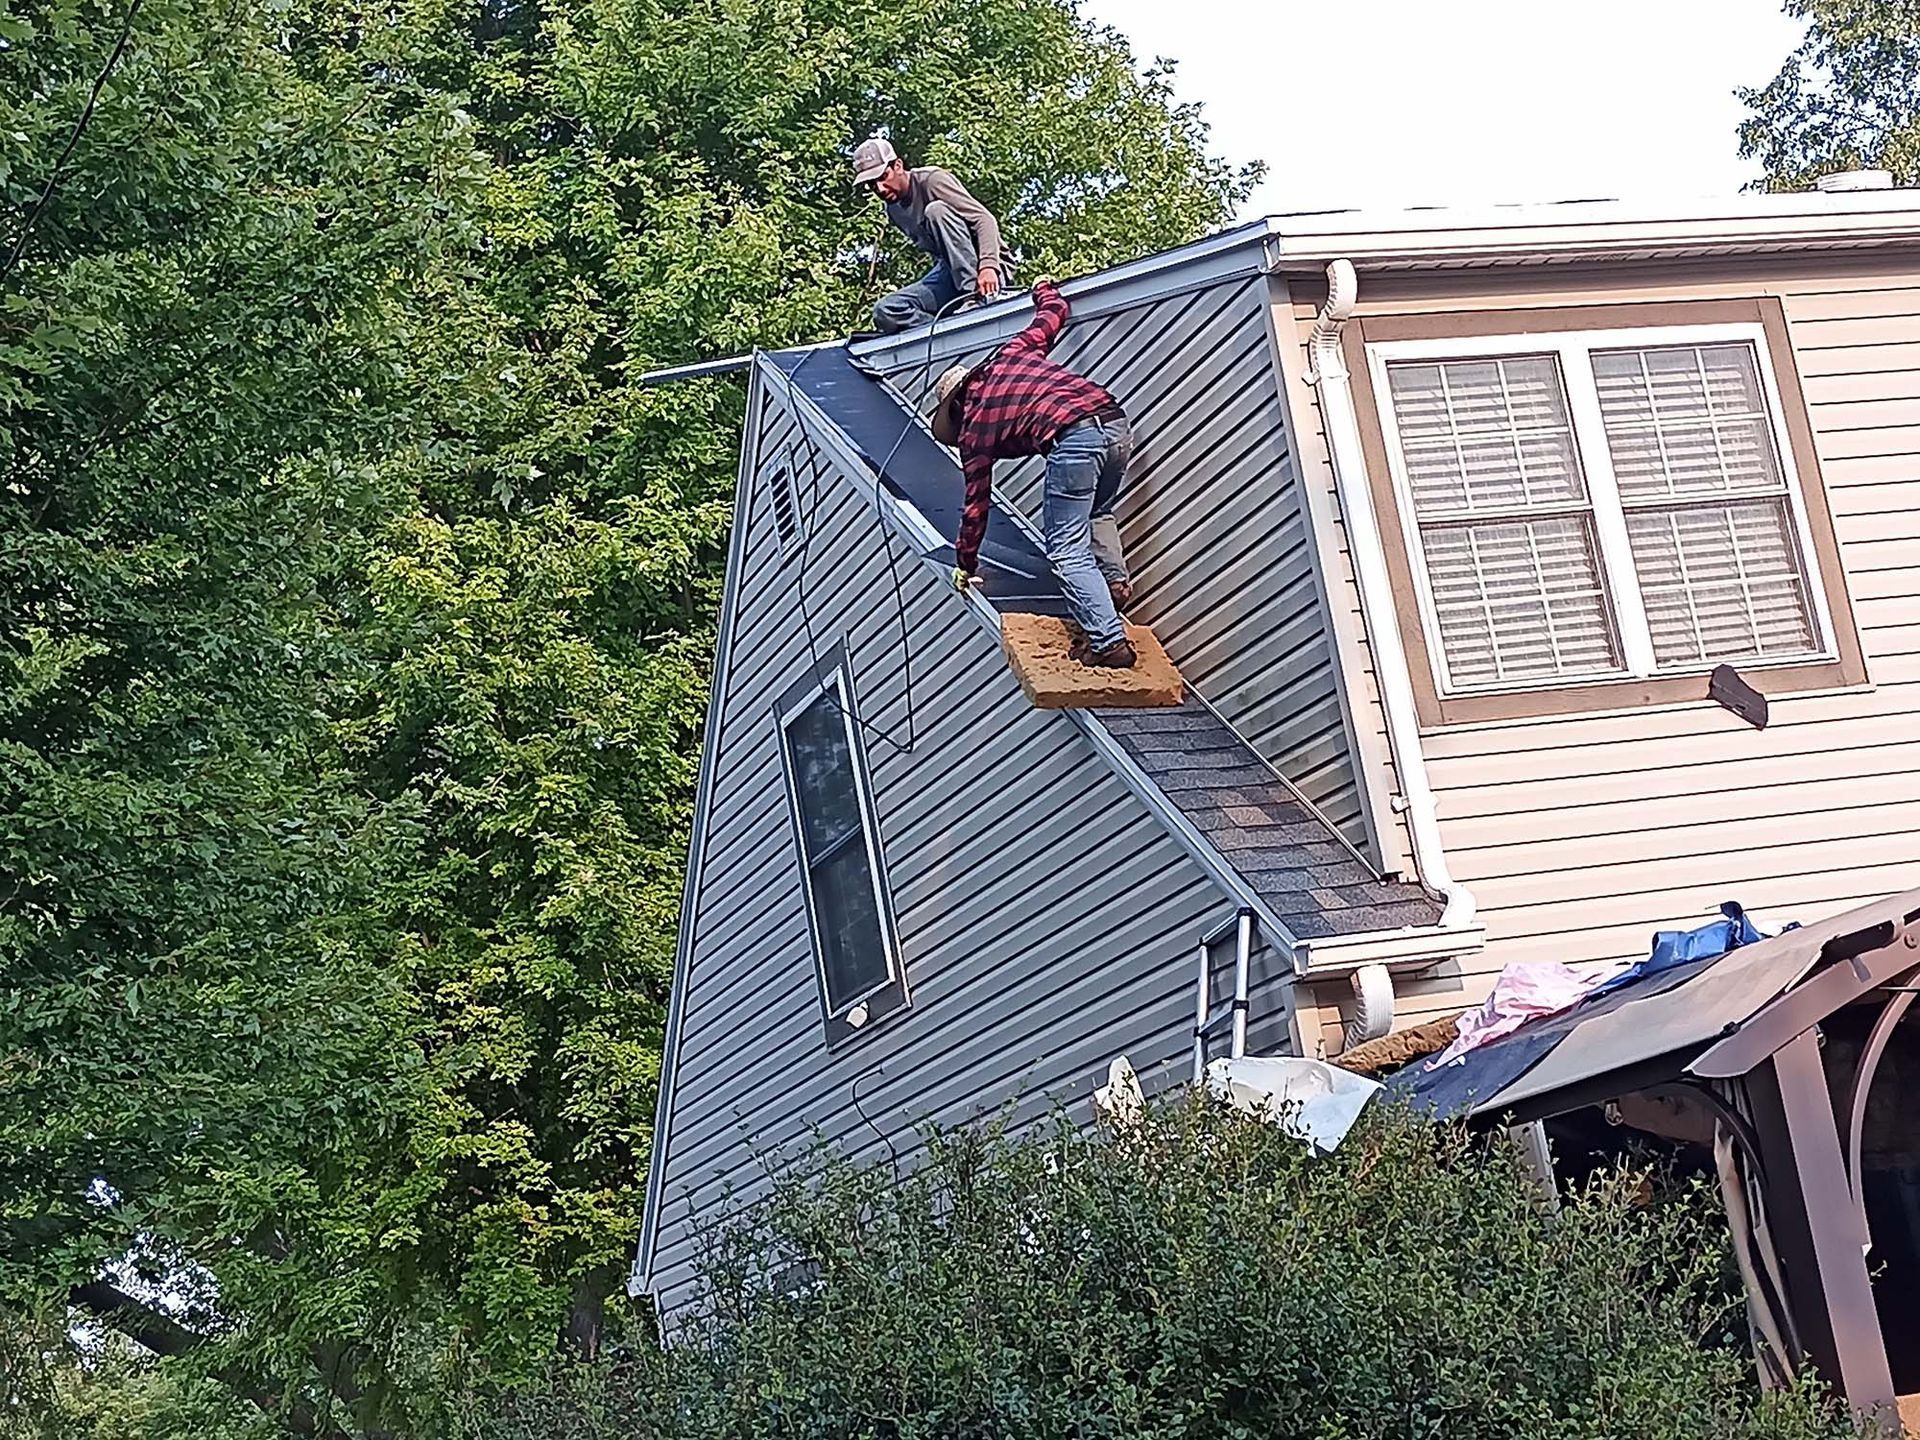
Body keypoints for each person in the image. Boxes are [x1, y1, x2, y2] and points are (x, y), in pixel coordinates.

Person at [929, 280, 1137, 668]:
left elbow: (976, 507)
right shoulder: (1011, 353)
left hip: (1073, 437)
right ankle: (1112, 584)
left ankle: (1109, 644)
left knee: (1065, 549)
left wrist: (965, 564)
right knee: (1097, 510)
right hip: (1114, 422)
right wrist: (1042, 289)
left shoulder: (974, 427)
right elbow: (1051, 315)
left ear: (954, 408)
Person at [851, 136, 1010, 335]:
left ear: (898, 165)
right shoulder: (893, 210)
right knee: (886, 311)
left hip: (987, 270)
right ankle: (946, 330)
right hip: (949, 273)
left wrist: (988, 267)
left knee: (936, 211)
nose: (880, 189)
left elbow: (984, 220)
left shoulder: (932, 181)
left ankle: (975, 300)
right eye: (872, 185)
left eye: (883, 177)